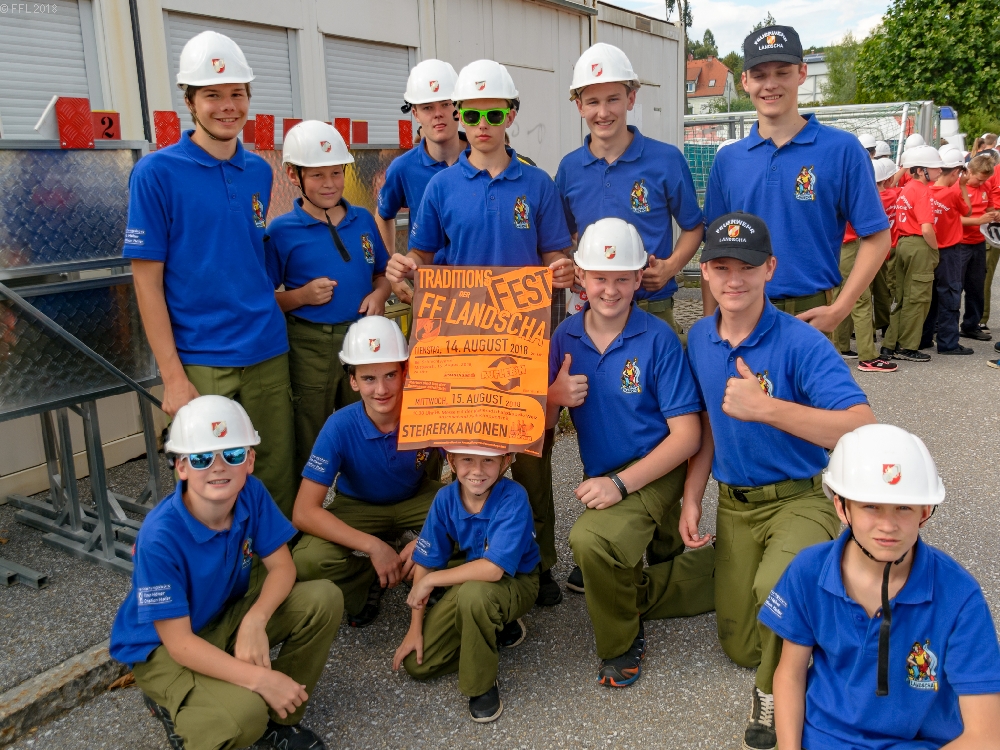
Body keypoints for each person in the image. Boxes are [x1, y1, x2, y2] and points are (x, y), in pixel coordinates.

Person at [385, 58, 574, 607]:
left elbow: (553, 254)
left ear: (511, 114)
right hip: (460, 343)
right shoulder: (441, 187)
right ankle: (466, 557)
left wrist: (562, 268)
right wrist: (405, 267)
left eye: (494, 114)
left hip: (521, 341)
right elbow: (422, 255)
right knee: (467, 454)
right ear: (459, 116)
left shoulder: (537, 183)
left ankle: (537, 561)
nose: (483, 124)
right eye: (472, 114)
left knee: (529, 456)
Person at [684, 212, 876, 750]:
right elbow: (706, 425)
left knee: (776, 593)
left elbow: (862, 427)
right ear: (705, 272)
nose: (734, 280)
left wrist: (767, 409)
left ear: (770, 268)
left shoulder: (801, 342)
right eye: (722, 267)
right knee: (742, 645)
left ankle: (772, 692)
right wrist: (692, 498)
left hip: (798, 499)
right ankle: (806, 601)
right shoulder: (698, 338)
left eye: (747, 267)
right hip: (734, 504)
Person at [124, 31, 297, 517]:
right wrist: (172, 377)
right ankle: (217, 565)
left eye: (237, 93)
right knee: (210, 482)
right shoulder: (156, 173)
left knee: (274, 474)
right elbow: (146, 282)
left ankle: (275, 560)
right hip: (202, 357)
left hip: (267, 347)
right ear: (190, 102)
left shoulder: (259, 171)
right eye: (213, 95)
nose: (227, 106)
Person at [110, 396, 340, 750]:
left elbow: (282, 567)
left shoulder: (251, 492)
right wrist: (261, 678)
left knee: (323, 598)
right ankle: (174, 705)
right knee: (242, 717)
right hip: (162, 648)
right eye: (201, 458)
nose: (218, 467)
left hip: (218, 618)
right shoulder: (159, 536)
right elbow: (181, 644)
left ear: (250, 460)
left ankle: (278, 720)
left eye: (232, 454)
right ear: (181, 467)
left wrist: (255, 620)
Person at [546, 217, 715, 688]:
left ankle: (622, 638)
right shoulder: (564, 338)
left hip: (658, 466)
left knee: (590, 541)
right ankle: (701, 570)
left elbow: (687, 437)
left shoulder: (659, 338)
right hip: (605, 470)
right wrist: (552, 397)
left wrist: (619, 486)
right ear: (580, 276)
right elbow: (542, 429)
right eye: (600, 277)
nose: (610, 290)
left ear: (640, 277)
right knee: (628, 547)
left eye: (622, 278)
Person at [764, 424, 1000, 750]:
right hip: (826, 739)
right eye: (870, 506)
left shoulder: (959, 596)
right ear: (841, 507)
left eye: (904, 507)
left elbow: (986, 735)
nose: (888, 526)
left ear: (925, 511)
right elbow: (790, 674)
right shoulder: (808, 570)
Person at [704, 25, 890, 332]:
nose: (770, 85)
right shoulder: (728, 159)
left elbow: (877, 236)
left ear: (802, 73)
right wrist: (711, 325)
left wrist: (840, 309)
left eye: (782, 72)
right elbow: (714, 250)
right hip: (739, 316)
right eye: (760, 75)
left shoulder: (842, 150)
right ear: (745, 81)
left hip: (809, 317)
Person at [291, 316, 442, 628]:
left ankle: (435, 576)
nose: (381, 389)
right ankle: (370, 579)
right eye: (369, 378)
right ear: (353, 381)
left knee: (482, 521)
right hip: (358, 504)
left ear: (405, 372)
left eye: (390, 375)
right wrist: (373, 547)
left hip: (417, 497)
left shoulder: (426, 410)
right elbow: (304, 512)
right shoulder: (339, 426)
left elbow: (471, 478)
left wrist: (429, 539)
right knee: (307, 559)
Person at [266, 120, 391, 473]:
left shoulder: (362, 219)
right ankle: (310, 501)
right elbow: (264, 299)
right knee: (310, 429)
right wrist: (301, 296)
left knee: (368, 422)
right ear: (293, 175)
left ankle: (364, 495)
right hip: (310, 346)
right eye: (318, 175)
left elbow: (382, 273)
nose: (329, 183)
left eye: (336, 173)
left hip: (363, 341)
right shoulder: (281, 231)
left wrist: (380, 294)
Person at [555, 43, 704, 337]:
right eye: (593, 102)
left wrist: (670, 267)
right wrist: (571, 265)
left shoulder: (666, 160)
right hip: (590, 313)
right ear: (579, 106)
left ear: (631, 99)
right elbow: (562, 236)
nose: (603, 112)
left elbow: (694, 226)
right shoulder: (569, 168)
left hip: (653, 310)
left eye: (613, 99)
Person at [392, 446, 540, 723]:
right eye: (467, 459)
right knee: (419, 665)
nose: (477, 470)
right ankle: (492, 628)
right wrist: (414, 629)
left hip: (516, 581)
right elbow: (426, 560)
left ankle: (481, 683)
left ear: (505, 461)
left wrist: (432, 580)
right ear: (451, 461)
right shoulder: (445, 497)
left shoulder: (514, 496)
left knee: (475, 596)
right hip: (471, 578)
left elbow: (493, 570)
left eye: (488, 461)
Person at [376, 59, 466, 303]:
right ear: (415, 114)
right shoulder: (403, 168)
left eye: (446, 104)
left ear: (459, 106)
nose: (438, 114)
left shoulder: (482, 158)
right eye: (427, 107)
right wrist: (392, 272)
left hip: (480, 286)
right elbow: (383, 215)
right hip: (430, 289)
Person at [833, 157, 899, 372]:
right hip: (850, 244)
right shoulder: (855, 188)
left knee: (839, 297)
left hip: (835, 246)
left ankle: (841, 346)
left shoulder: (834, 181)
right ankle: (868, 356)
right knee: (860, 299)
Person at [880, 146, 942, 363]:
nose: (939, 170)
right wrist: (934, 249)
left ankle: (890, 344)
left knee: (903, 299)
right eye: (934, 167)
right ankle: (907, 347)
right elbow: (927, 228)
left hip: (903, 243)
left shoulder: (907, 188)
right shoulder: (922, 191)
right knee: (918, 300)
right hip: (918, 246)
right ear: (921, 170)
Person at [921, 147, 973, 355]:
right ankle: (948, 342)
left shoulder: (926, 190)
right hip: (950, 251)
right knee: (950, 293)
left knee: (929, 296)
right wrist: (963, 186)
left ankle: (924, 337)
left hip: (929, 248)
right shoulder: (953, 193)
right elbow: (967, 211)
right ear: (956, 172)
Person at [958, 154, 999, 343]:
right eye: (979, 179)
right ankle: (943, 326)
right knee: (954, 287)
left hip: (978, 241)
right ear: (970, 171)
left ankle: (971, 325)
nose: (982, 183)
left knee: (976, 286)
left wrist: (994, 214)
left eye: (985, 180)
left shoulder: (986, 185)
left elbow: (989, 207)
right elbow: (952, 218)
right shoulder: (958, 187)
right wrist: (978, 220)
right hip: (959, 243)